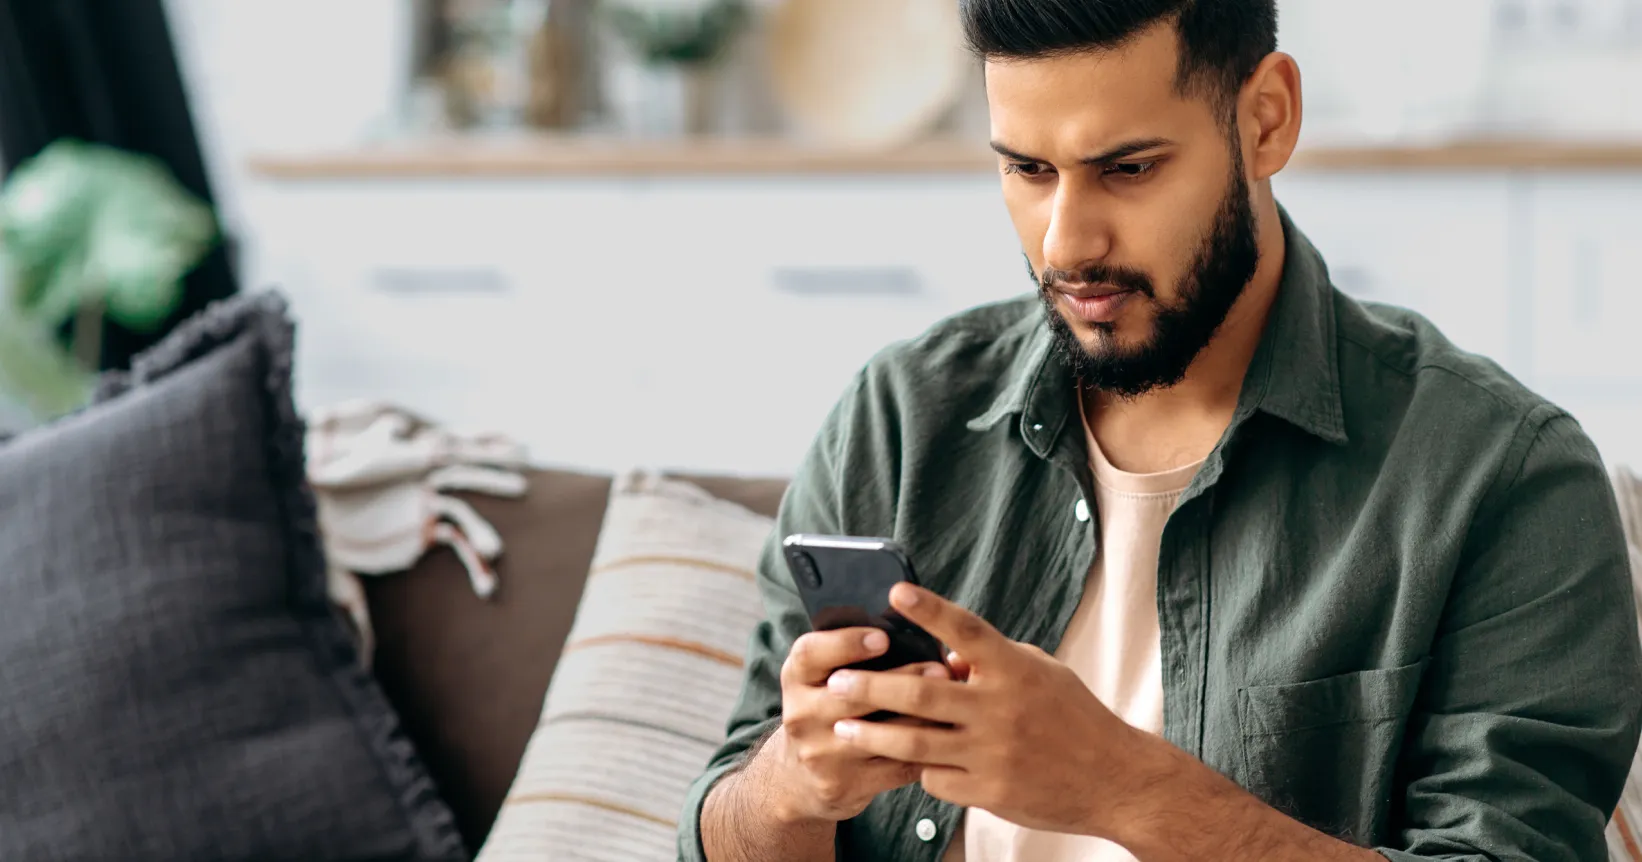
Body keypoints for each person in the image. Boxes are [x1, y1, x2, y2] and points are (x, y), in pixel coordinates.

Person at [679, 1, 1642, 860]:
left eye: (1127, 169)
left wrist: (1122, 788)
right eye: (1027, 169)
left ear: (1266, 118)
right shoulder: (899, 419)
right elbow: (724, 824)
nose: (1065, 242)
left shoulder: (1502, 477)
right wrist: (790, 791)